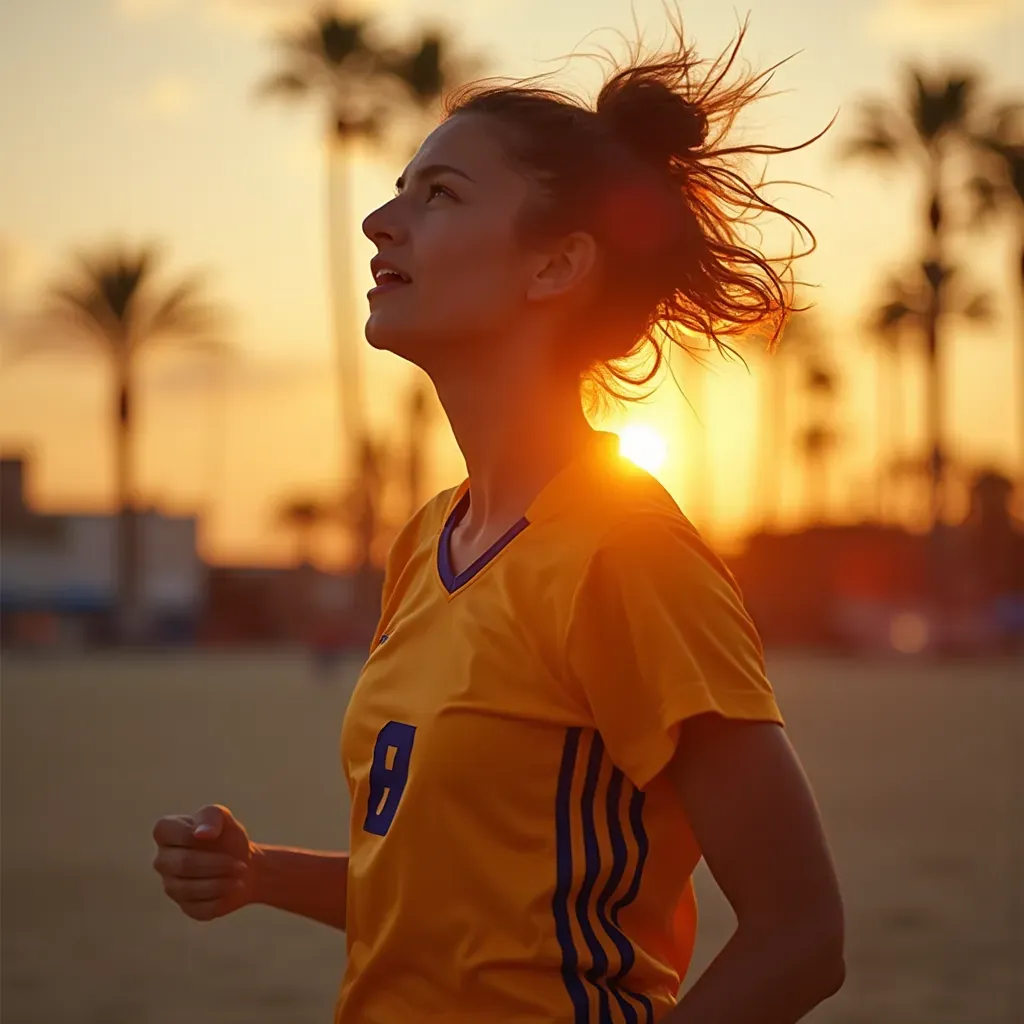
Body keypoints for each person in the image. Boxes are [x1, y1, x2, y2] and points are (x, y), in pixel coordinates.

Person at [152, 17, 845, 1023]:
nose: (380, 222)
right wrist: (259, 872)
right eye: (398, 188)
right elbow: (449, 907)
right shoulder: (429, 539)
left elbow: (801, 937)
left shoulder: (627, 554)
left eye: (438, 195)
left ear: (556, 266)